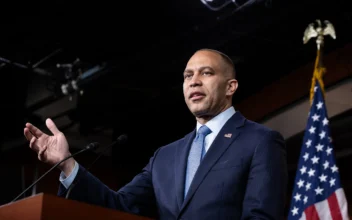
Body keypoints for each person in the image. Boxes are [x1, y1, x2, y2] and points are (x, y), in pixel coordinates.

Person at [24, 49, 288, 220]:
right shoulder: (165, 156)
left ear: (231, 86)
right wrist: (68, 164)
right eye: (187, 76)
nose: (194, 81)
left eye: (206, 73)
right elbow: (119, 206)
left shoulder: (260, 141)